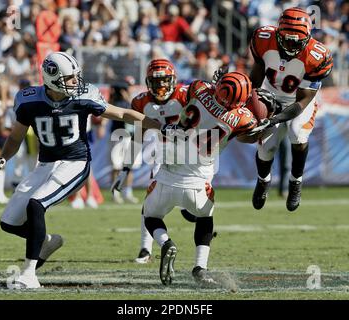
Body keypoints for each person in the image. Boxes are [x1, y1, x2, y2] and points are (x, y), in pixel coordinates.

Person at [0, 51, 169, 289]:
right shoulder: (28, 100)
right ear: (52, 78)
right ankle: (47, 242)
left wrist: (156, 124)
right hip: (45, 164)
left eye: (76, 77)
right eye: (70, 78)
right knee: (9, 222)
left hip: (75, 163)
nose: (76, 82)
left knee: (36, 204)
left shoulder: (84, 96)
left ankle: (29, 274)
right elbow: (15, 137)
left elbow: (123, 113)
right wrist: (2, 159)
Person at [142, 71, 257, 285]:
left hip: (168, 172)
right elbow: (252, 135)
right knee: (205, 219)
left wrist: (215, 85)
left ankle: (165, 242)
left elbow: (198, 92)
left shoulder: (199, 88)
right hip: (198, 183)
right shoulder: (243, 117)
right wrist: (268, 118)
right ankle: (200, 268)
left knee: (149, 216)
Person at [111, 58, 195, 264]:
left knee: (195, 209)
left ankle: (190, 215)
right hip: (161, 154)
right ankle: (145, 249)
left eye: (165, 81)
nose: (161, 86)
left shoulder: (186, 95)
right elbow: (138, 138)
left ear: (173, 80)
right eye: (156, 82)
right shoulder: (141, 102)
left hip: (191, 153)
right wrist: (125, 170)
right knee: (149, 204)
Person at [249, 7, 333, 211]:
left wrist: (274, 119)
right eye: (286, 39)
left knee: (297, 133)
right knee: (266, 147)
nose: (290, 44)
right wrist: (249, 103)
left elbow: (302, 101)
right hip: (270, 94)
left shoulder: (317, 56)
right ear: (278, 32)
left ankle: (296, 181)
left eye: (296, 40)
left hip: (298, 100)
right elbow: (256, 76)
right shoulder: (263, 38)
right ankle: (263, 181)